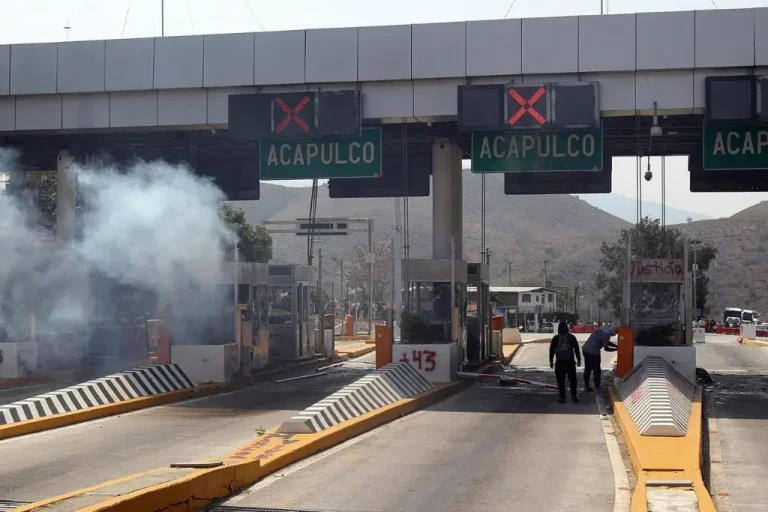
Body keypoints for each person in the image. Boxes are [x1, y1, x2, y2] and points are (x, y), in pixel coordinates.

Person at [549, 321, 581, 403]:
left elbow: (551, 350)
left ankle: (562, 397)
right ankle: (573, 395)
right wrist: (579, 360)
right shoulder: (571, 337)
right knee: (573, 379)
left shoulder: (556, 338)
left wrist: (551, 361)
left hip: (560, 362)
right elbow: (576, 349)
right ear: (567, 328)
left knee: (560, 380)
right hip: (570, 362)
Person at [581, 324, 619, 391]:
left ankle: (586, 386)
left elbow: (606, 342)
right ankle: (597, 386)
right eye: (616, 332)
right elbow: (606, 348)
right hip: (594, 352)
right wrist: (617, 349)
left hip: (586, 349)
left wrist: (616, 346)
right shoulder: (606, 335)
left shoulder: (600, 330)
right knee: (597, 370)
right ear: (613, 331)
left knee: (587, 369)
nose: (616, 334)